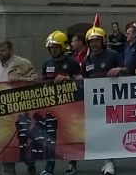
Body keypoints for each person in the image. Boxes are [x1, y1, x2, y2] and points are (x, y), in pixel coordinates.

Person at [0, 41, 39, 175]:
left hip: (20, 111)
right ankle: (7, 171)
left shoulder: (22, 63)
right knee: (5, 145)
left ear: (10, 50)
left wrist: (20, 80)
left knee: (22, 143)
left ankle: (30, 162)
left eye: (2, 50)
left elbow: (36, 80)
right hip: (1, 114)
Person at [81, 26, 124, 175]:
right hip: (96, 103)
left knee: (109, 131)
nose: (94, 44)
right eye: (91, 41)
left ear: (103, 40)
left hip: (113, 100)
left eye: (97, 40)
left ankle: (109, 160)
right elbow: (84, 79)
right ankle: (106, 159)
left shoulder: (113, 55)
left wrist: (120, 70)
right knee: (100, 131)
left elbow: (126, 70)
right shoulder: (87, 60)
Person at [40, 30, 81, 175]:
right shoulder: (47, 63)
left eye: (56, 47)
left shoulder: (72, 63)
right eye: (50, 47)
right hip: (52, 106)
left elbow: (80, 81)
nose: (53, 50)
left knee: (69, 135)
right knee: (50, 137)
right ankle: (49, 168)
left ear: (63, 46)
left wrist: (67, 79)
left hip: (69, 104)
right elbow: (43, 82)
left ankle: (72, 163)